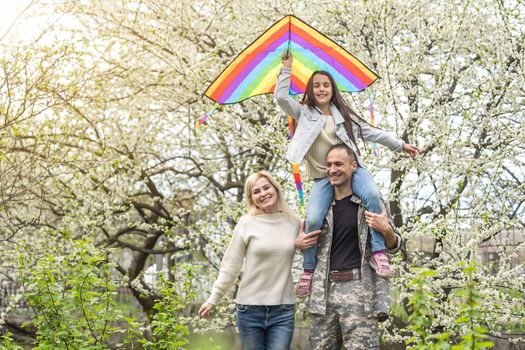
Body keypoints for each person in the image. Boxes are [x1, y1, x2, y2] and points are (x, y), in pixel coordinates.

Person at [275, 53, 418, 297]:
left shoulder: (344, 117)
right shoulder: (304, 113)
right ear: (310, 89)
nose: (321, 89)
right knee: (311, 220)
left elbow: (373, 133)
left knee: (373, 196)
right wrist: (286, 68)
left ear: (332, 90)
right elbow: (281, 98)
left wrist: (400, 145)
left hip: (352, 171)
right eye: (316, 85)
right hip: (323, 176)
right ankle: (308, 270)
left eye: (326, 85)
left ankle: (379, 253)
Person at [294, 144, 403, 349]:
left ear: (354, 166)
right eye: (328, 165)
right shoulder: (318, 208)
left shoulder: (370, 203)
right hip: (322, 294)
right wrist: (298, 244)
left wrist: (387, 230)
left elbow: (396, 246)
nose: (332, 170)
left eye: (338, 164)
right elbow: (304, 244)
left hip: (360, 293)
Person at [198, 171, 307, 350]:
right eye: (256, 191)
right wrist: (213, 298)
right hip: (249, 310)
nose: (263, 194)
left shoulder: (295, 222)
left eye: (266, 187)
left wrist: (301, 245)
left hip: (283, 310)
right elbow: (231, 265)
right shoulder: (246, 223)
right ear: (251, 198)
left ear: (275, 189)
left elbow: (310, 255)